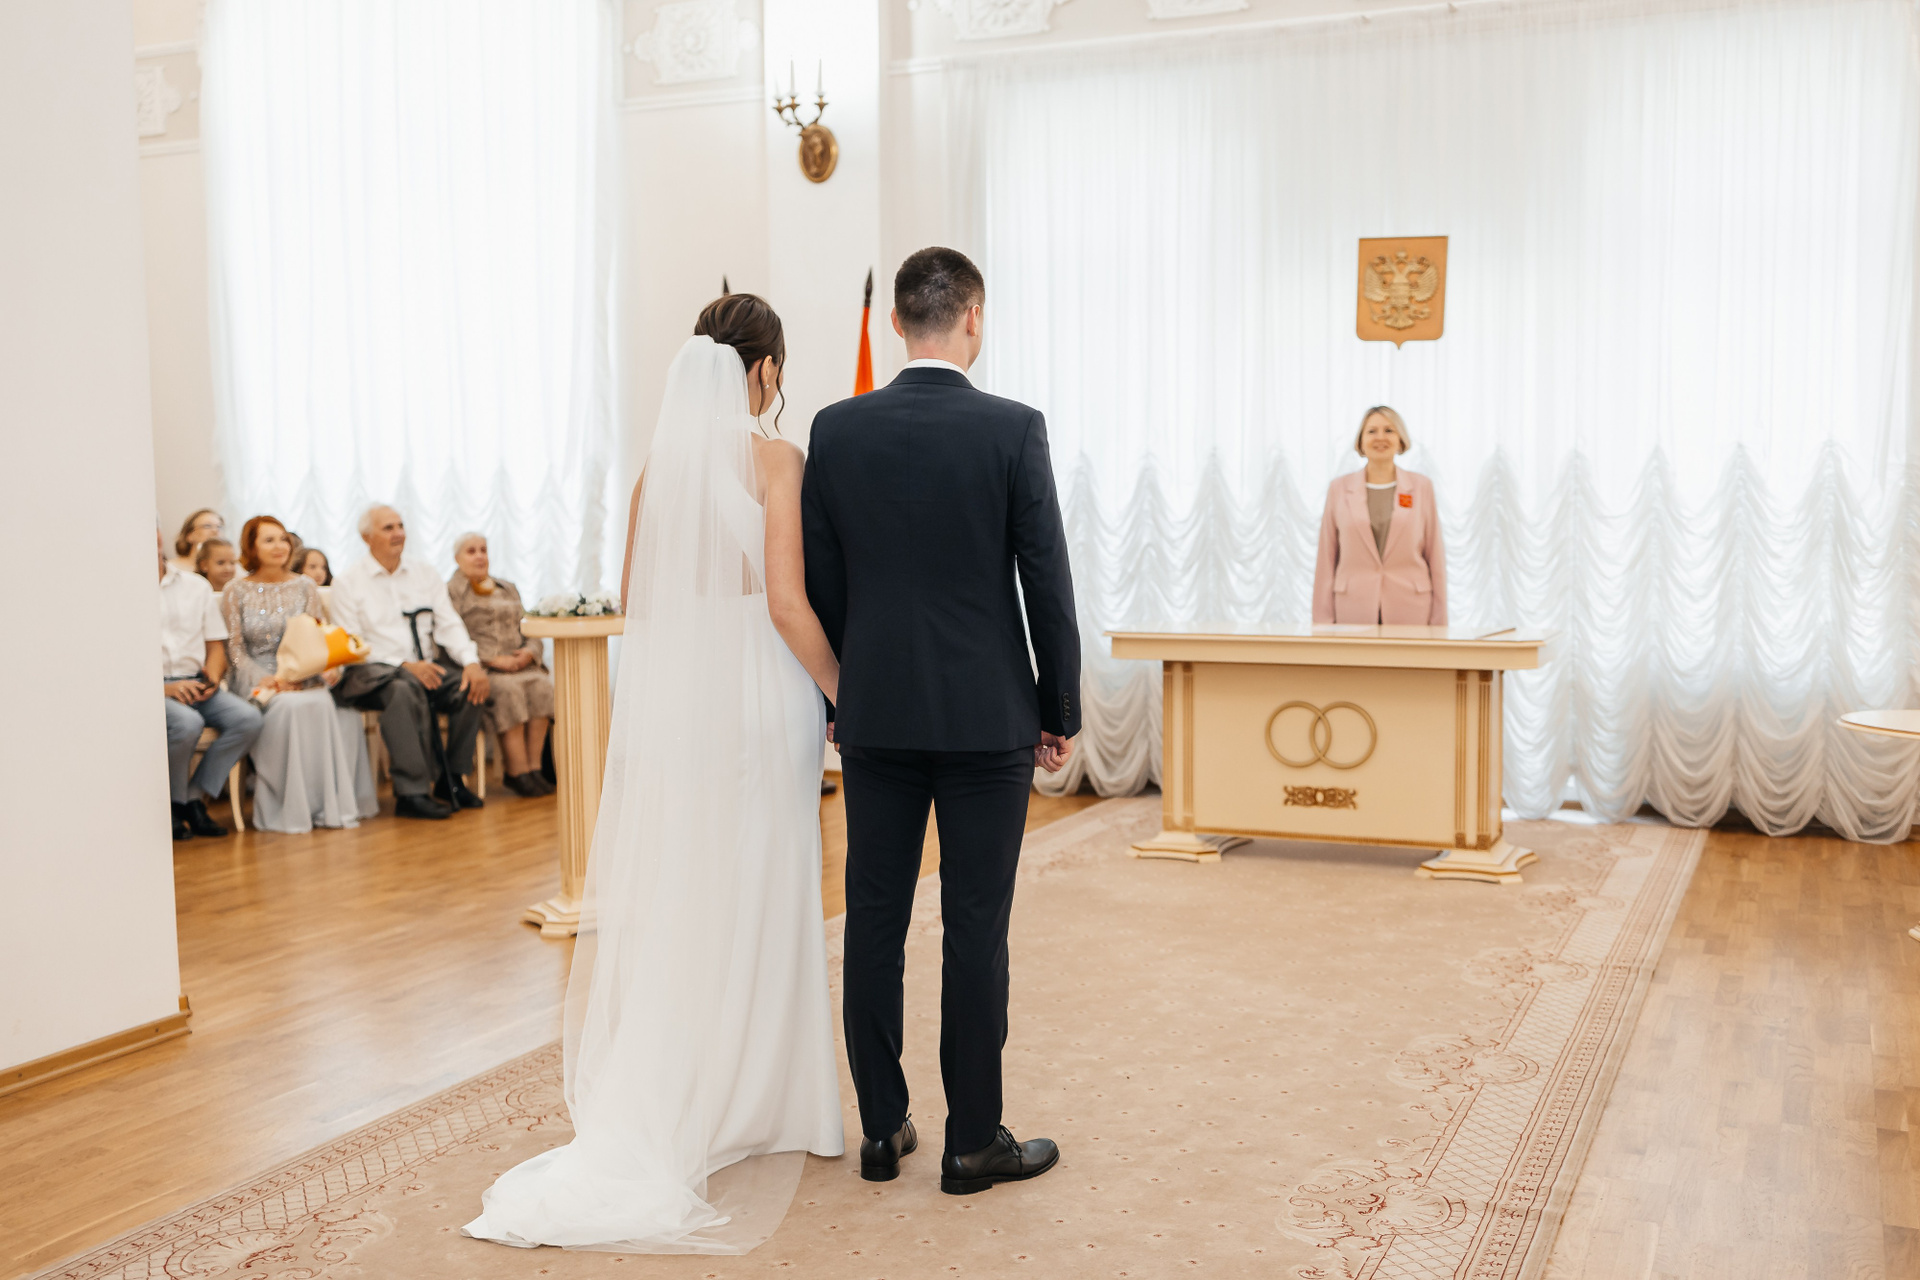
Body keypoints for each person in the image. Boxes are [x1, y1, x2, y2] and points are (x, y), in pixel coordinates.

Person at [465, 295, 844, 1252]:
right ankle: (772, 1100)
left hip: (687, 702)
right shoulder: (777, 459)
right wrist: (844, 692)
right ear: (764, 370)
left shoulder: (655, 473)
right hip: (765, 692)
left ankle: (688, 1090)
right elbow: (789, 603)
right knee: (770, 880)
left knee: (694, 888)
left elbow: (640, 604)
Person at [802, 247, 1081, 1195]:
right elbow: (1045, 579)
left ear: (895, 324)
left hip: (875, 713)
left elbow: (825, 579)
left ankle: (883, 1131)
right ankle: (971, 1144)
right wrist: (1059, 706)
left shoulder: (836, 428)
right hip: (985, 716)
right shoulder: (1012, 427)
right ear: (974, 318)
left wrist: (841, 696)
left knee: (873, 922)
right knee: (975, 928)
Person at [327, 506, 490, 820]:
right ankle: (411, 792)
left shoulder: (424, 573)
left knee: (469, 686)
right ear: (367, 537)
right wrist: (402, 665)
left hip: (423, 668)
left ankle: (451, 779)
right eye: (388, 528)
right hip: (370, 672)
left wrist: (471, 662)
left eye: (400, 525)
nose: (398, 533)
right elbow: (352, 643)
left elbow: (448, 623)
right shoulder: (349, 582)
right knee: (402, 690)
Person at [223, 516, 377, 833]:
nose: (279, 546)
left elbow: (316, 638)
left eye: (283, 538)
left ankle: (323, 806)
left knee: (320, 702)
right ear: (251, 547)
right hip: (257, 676)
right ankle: (288, 808)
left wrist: (306, 675)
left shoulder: (305, 586)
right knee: (290, 707)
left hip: (302, 672)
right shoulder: (235, 590)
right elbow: (235, 650)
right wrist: (266, 679)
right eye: (268, 540)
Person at [158, 528, 262, 840]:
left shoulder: (196, 586)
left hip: (197, 681)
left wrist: (212, 678)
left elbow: (216, 645)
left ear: (159, 536)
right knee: (187, 723)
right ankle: (171, 807)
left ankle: (194, 797)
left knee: (248, 719)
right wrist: (166, 690)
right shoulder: (119, 589)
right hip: (156, 690)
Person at [1311, 406, 1448, 626]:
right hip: (1352, 609)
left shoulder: (1422, 487)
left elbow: (1436, 556)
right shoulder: (1339, 489)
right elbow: (1326, 559)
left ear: (1400, 439)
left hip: (1412, 609)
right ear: (1361, 441)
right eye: (1372, 431)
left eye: (1389, 430)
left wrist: (1440, 624)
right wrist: (1322, 624)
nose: (1380, 437)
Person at [447, 533, 554, 797]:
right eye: (471, 551)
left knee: (541, 686)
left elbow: (529, 624)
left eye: (483, 550)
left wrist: (529, 653)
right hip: (486, 669)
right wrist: (491, 659)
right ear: (457, 559)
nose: (479, 556)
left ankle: (535, 769)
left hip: (521, 664)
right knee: (510, 691)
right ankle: (516, 771)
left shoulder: (507, 587)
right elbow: (450, 634)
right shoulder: (452, 591)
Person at [171, 508, 224, 575]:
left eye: (219, 527)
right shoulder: (172, 567)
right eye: (207, 526)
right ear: (189, 535)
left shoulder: (229, 569)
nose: (215, 531)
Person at [292, 547, 333, 622]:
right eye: (312, 567)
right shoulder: (294, 595)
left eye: (324, 567)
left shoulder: (331, 592)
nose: (319, 572)